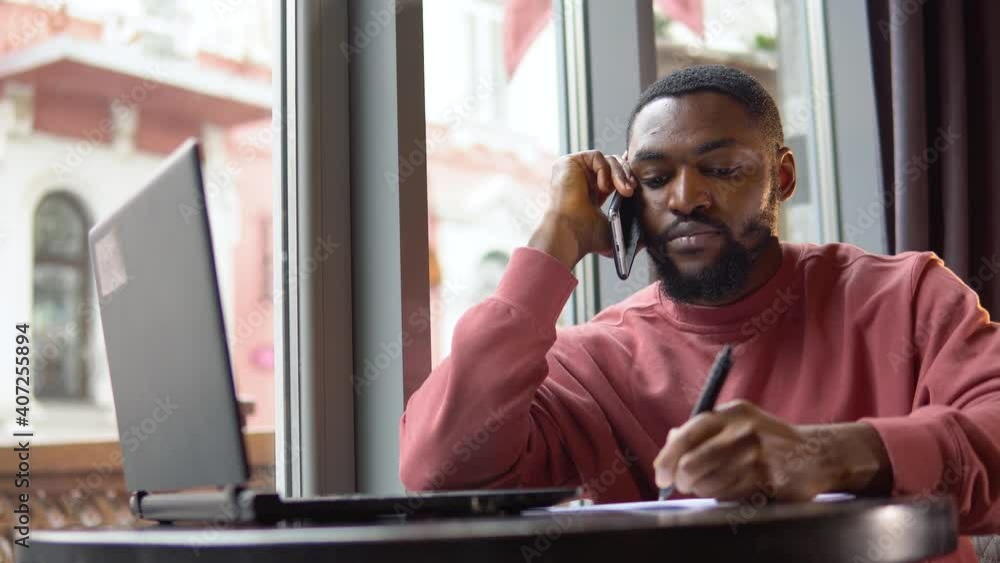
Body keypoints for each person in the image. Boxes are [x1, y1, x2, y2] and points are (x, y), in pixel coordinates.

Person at [399, 65, 999, 560]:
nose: (686, 198)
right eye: (655, 178)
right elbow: (438, 467)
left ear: (781, 178)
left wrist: (827, 456)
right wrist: (553, 240)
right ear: (627, 199)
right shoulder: (589, 362)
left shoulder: (907, 298)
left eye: (722, 170)